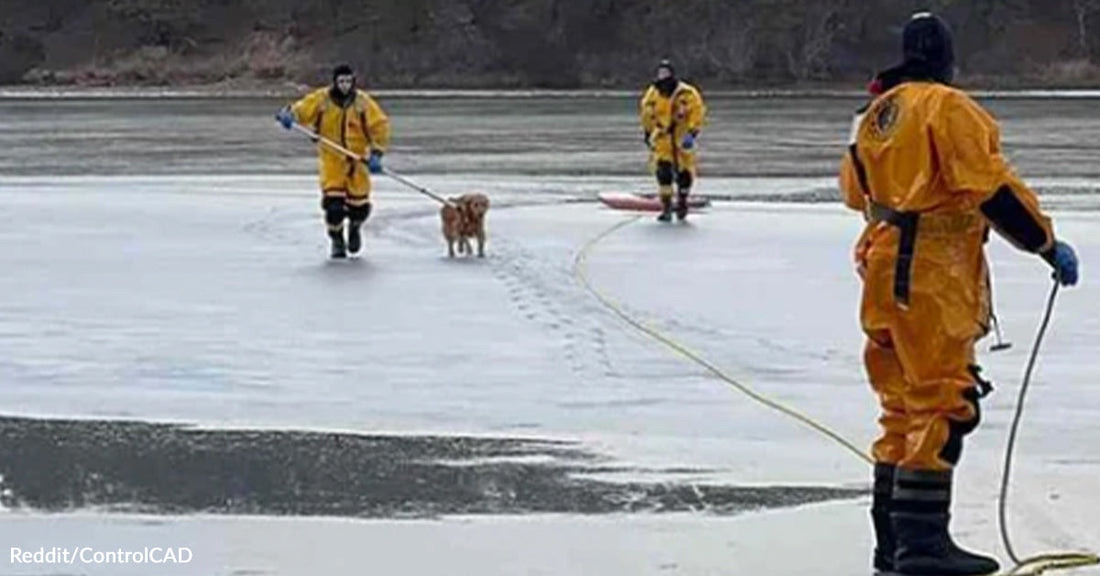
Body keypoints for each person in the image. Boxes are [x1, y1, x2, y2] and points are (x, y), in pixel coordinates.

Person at [839, 12, 1079, 576]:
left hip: (879, 266)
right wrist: (1044, 243)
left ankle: (892, 542)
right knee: (942, 399)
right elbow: (990, 189)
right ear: (947, 58)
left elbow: (853, 190)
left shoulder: (871, 114)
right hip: (931, 275)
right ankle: (923, 546)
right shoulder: (948, 109)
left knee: (899, 406)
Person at [276, 64, 391, 258]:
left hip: (357, 161)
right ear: (335, 82)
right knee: (334, 207)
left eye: (348, 81)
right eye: (341, 81)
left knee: (360, 207)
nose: (345, 85)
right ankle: (337, 238)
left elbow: (379, 126)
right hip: (332, 160)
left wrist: (377, 153)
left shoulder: (363, 104)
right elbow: (303, 110)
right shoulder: (322, 100)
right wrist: (290, 115)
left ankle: (355, 227)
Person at [640, 59, 707, 222]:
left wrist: (692, 132)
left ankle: (682, 201)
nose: (662, 76)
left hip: (681, 137)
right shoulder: (653, 92)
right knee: (663, 172)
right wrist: (648, 132)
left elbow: (697, 112)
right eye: (660, 72)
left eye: (666, 73)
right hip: (662, 138)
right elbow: (646, 112)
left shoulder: (687, 93)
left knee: (685, 173)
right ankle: (667, 207)